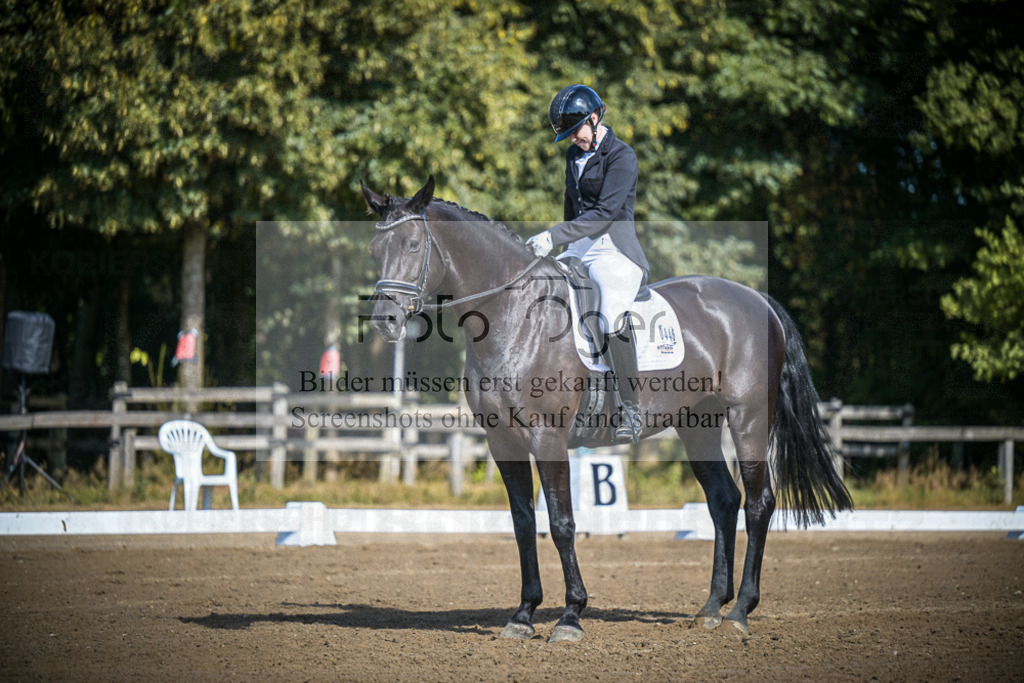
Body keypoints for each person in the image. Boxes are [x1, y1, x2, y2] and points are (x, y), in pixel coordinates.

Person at [526, 84, 650, 443]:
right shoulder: (572, 156)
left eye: (577, 131)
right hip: (579, 246)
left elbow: (607, 212)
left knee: (611, 315)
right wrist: (559, 245)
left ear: (594, 119)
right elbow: (572, 205)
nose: (574, 140)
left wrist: (555, 235)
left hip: (615, 248)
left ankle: (631, 409)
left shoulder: (622, 156)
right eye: (568, 135)